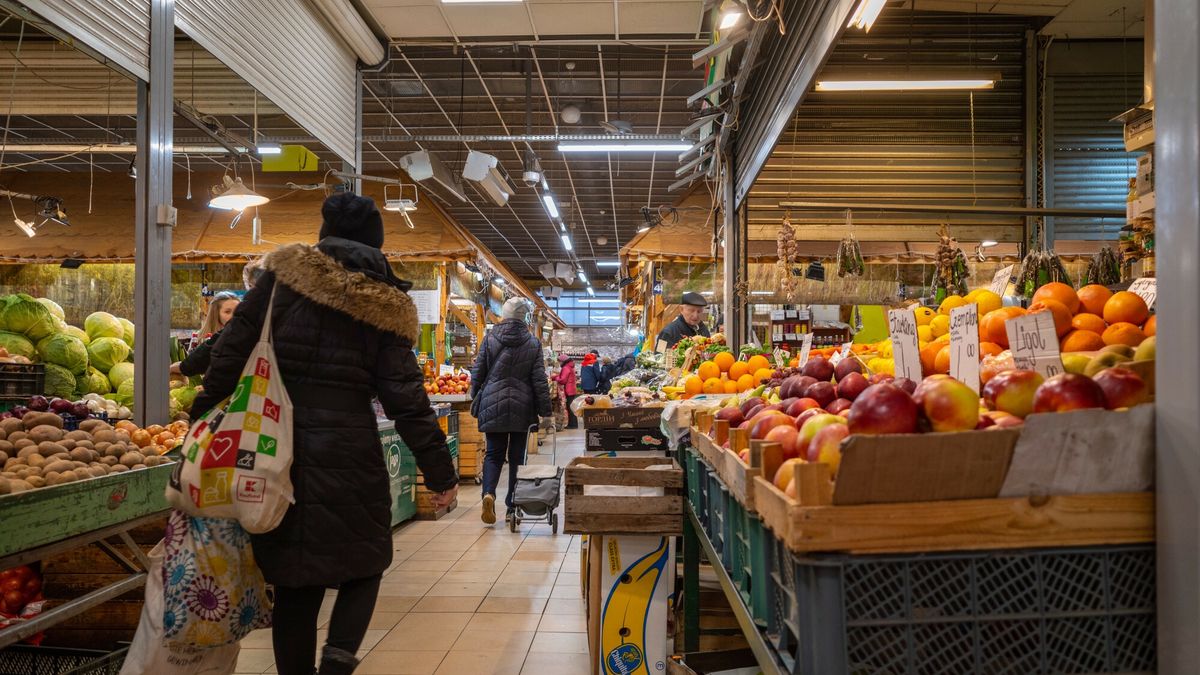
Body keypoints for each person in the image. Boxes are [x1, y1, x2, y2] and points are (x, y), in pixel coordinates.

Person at [191, 193, 458, 675]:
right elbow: (406, 400)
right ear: (376, 242)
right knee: (367, 562)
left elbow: (228, 354)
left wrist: (199, 423)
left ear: (323, 234)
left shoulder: (278, 283)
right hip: (350, 450)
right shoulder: (387, 304)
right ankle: (337, 663)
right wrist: (440, 472)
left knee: (295, 580)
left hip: (276, 448)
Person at [469, 298, 552, 525]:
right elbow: (539, 380)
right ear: (524, 318)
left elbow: (478, 372)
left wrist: (474, 394)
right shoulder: (533, 343)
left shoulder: (489, 338)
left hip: (492, 404)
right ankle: (511, 506)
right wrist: (545, 410)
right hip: (522, 407)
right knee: (517, 458)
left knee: (493, 454)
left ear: (504, 315)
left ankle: (488, 493)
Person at [171, 261, 265, 378]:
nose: (234, 315)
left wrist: (184, 367)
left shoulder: (255, 315)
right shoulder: (265, 311)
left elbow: (218, 350)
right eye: (227, 311)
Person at [554, 355, 579, 429]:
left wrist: (555, 378)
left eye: (559, 361)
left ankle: (573, 425)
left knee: (570, 408)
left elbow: (563, 380)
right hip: (571, 389)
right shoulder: (569, 366)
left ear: (563, 361)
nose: (559, 363)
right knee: (571, 407)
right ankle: (573, 424)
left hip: (569, 390)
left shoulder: (566, 368)